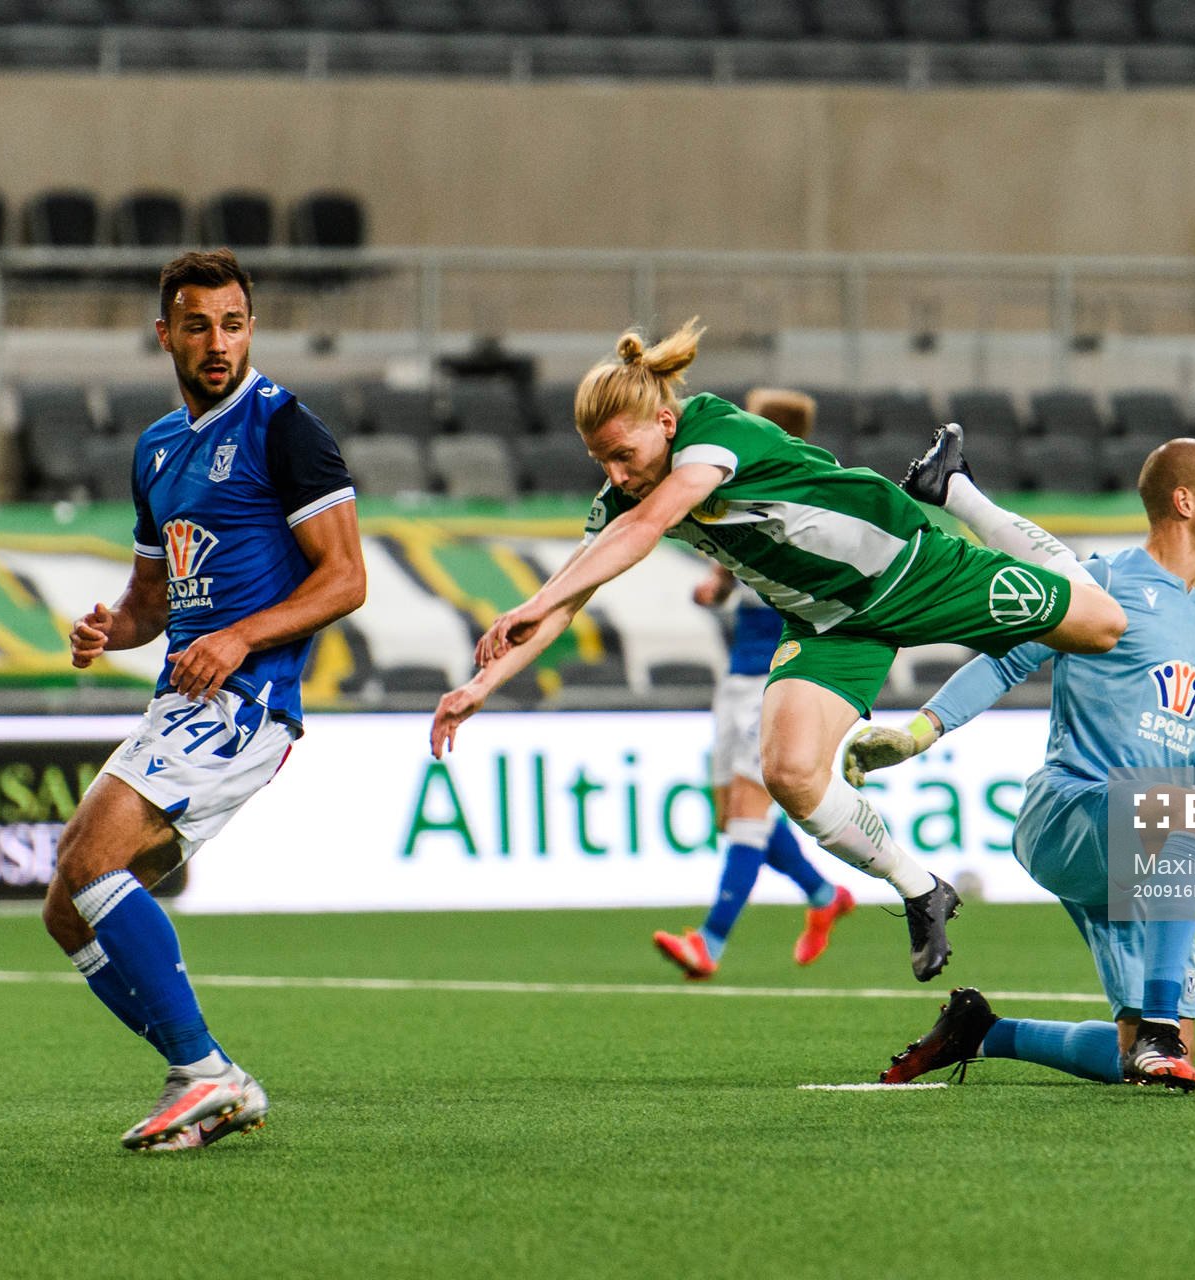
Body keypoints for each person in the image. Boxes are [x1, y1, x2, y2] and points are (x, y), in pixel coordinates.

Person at [431, 320, 1127, 983]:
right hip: (827, 622)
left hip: (912, 570)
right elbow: (570, 598)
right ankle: (922, 890)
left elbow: (644, 529)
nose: (615, 473)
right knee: (788, 773)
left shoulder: (713, 433)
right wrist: (483, 685)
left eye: (624, 454)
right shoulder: (628, 493)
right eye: (600, 461)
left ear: (665, 424)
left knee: (1101, 622)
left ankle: (957, 491)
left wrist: (534, 601)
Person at [848, 439, 1195, 1091]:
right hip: (1071, 813)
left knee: (1149, 1061)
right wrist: (919, 732)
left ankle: (982, 1031)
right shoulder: (1102, 583)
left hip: (1151, 850)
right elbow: (1007, 658)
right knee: (1191, 813)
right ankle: (1156, 1028)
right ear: (1184, 501)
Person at [47, 248, 365, 1150]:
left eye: (232, 324)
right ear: (166, 335)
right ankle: (211, 1077)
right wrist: (109, 629)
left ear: (250, 329)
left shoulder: (285, 429)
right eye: (198, 325)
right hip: (180, 697)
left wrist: (238, 637)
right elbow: (153, 602)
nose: (217, 341)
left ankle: (204, 1072)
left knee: (88, 856)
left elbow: (345, 580)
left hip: (247, 699)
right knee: (67, 906)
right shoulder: (154, 449)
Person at [651, 388, 855, 979]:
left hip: (776, 678)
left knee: (747, 809)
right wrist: (713, 589)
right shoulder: (736, 500)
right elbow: (718, 586)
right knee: (734, 817)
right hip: (735, 678)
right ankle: (823, 895)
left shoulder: (803, 505)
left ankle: (709, 942)